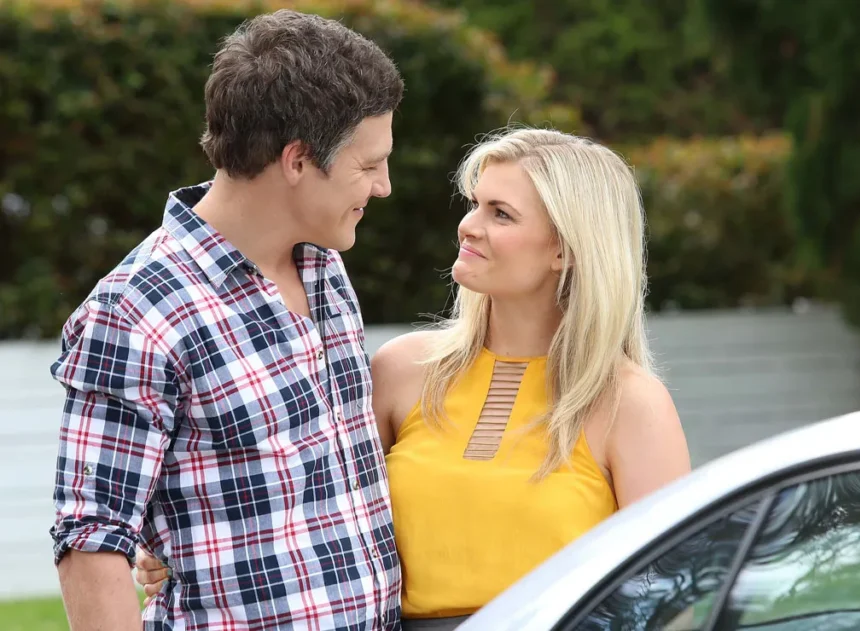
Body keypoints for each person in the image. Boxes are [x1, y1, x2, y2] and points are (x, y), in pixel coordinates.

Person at [142, 126, 693, 631]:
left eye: (501, 214)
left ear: (565, 249)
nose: (469, 225)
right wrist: (181, 552)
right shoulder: (403, 370)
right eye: (475, 204)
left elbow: (672, 598)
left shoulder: (630, 404)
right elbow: (298, 498)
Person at [49, 9, 404, 630]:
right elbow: (92, 539)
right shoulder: (137, 311)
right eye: (369, 165)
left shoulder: (323, 264)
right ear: (298, 161)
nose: (384, 187)